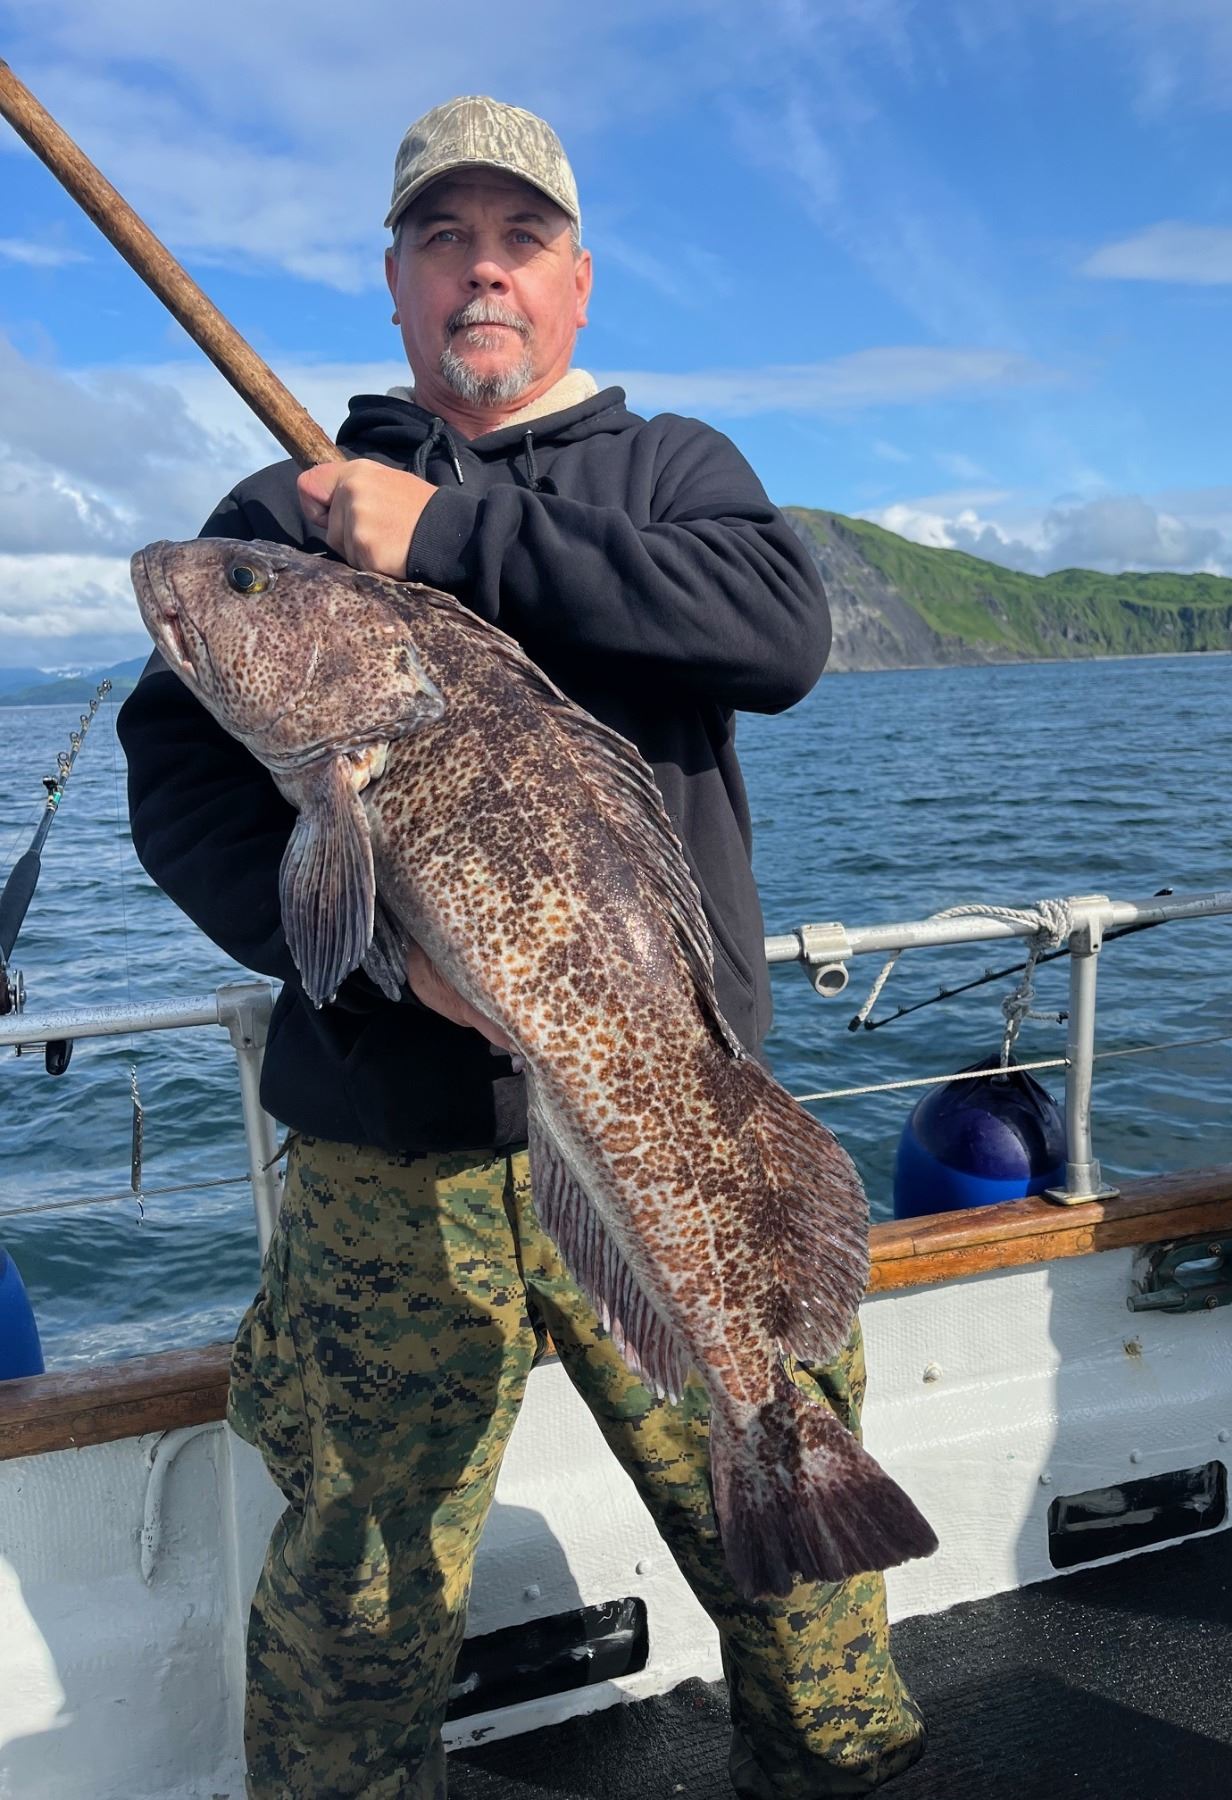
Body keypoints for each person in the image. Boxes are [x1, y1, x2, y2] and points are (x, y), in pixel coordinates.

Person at [118, 95, 926, 1800]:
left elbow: (777, 634)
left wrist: (442, 536)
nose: (481, 272)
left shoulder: (673, 473)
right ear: (395, 282)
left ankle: (838, 1766)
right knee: (359, 1585)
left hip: (676, 1113)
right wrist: (362, 958)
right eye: (443, 240)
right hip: (386, 1157)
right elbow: (178, 787)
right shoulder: (281, 508)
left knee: (803, 1575)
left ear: (575, 282)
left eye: (518, 241)